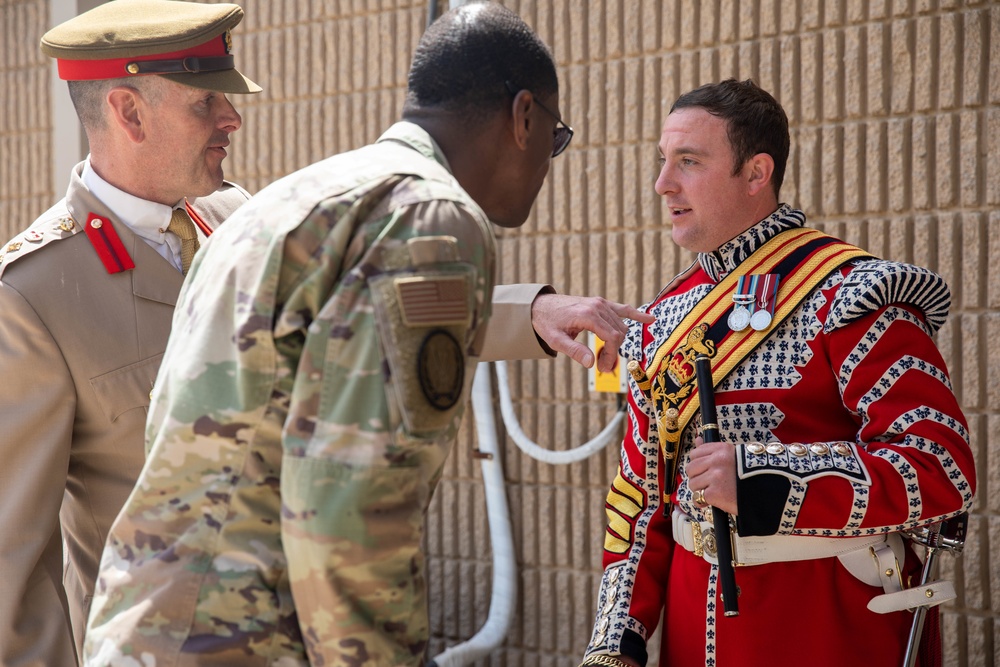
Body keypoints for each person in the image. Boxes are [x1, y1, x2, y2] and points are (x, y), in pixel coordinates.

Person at [83, 3, 650, 666]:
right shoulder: (434, 218)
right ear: (523, 117)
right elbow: (350, 510)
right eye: (554, 138)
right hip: (247, 641)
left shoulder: (284, 203)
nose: (547, 163)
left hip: (150, 632)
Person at [579, 79, 975, 667]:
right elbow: (640, 499)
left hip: (825, 628)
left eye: (688, 162)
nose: (663, 183)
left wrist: (762, 477)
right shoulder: (662, 318)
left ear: (756, 172)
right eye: (664, 162)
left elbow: (940, 466)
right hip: (690, 635)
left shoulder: (851, 293)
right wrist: (617, 641)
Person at [0, 2, 260, 664]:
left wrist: (535, 316)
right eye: (208, 103)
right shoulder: (31, 294)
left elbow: (370, 303)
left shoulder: (244, 221)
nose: (232, 119)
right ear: (130, 112)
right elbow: (13, 571)